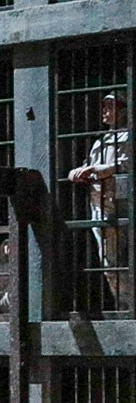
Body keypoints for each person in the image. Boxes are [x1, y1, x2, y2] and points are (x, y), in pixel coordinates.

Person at [68, 92, 131, 310]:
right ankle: (124, 306)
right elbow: (89, 166)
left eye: (110, 107)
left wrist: (95, 170)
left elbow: (123, 166)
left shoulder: (128, 137)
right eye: (104, 107)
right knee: (109, 263)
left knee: (123, 260)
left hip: (122, 205)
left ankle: (129, 308)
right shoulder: (100, 141)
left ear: (123, 110)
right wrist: (78, 172)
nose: (104, 111)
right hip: (100, 206)